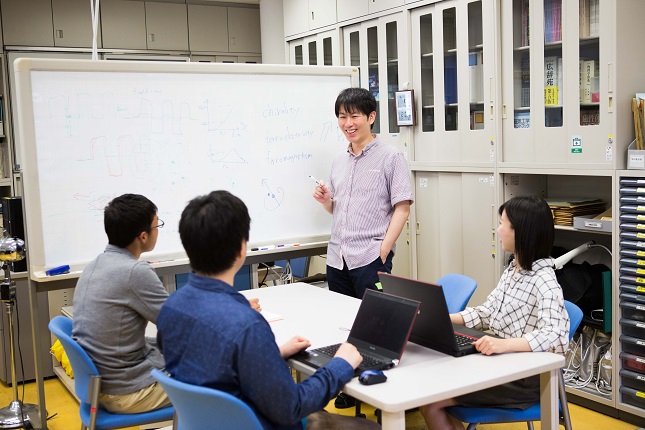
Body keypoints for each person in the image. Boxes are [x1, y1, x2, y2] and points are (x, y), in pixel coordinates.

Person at [157, 190, 380, 430]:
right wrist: (341, 364)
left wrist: (271, 353)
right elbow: (291, 407)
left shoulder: (171, 308)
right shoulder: (247, 325)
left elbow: (214, 365)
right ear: (241, 249)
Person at [419, 196, 570, 430]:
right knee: (429, 386)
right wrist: (440, 318)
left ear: (521, 232)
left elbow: (556, 338)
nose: (497, 230)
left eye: (502, 223)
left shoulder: (545, 281)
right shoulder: (514, 269)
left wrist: (504, 345)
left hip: (524, 379)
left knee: (431, 400)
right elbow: (488, 313)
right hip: (499, 366)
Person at [72, 193, 172, 413]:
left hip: (98, 384)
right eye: (158, 226)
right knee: (218, 379)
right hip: (126, 393)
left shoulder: (95, 264)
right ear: (143, 236)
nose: (158, 231)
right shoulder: (134, 272)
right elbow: (177, 321)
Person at [313, 87, 413, 300]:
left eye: (354, 116)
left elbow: (402, 209)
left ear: (371, 117)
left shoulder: (391, 157)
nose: (348, 123)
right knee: (340, 321)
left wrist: (384, 250)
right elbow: (337, 208)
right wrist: (325, 200)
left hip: (370, 258)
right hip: (337, 259)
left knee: (373, 325)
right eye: (342, 117)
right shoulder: (339, 160)